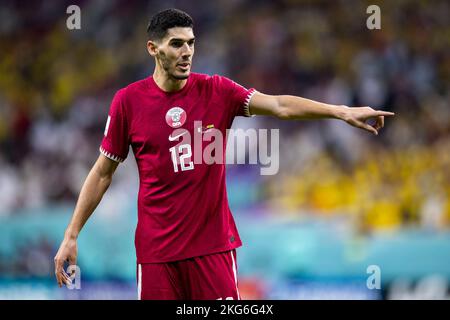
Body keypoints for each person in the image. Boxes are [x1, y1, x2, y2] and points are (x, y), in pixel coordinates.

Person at [54, 8, 394, 300]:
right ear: (153, 48)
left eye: (191, 43)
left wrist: (341, 111)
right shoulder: (128, 102)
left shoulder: (217, 90)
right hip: (156, 254)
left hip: (211, 249)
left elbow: (279, 105)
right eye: (176, 44)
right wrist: (71, 235)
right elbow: (102, 173)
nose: (187, 51)